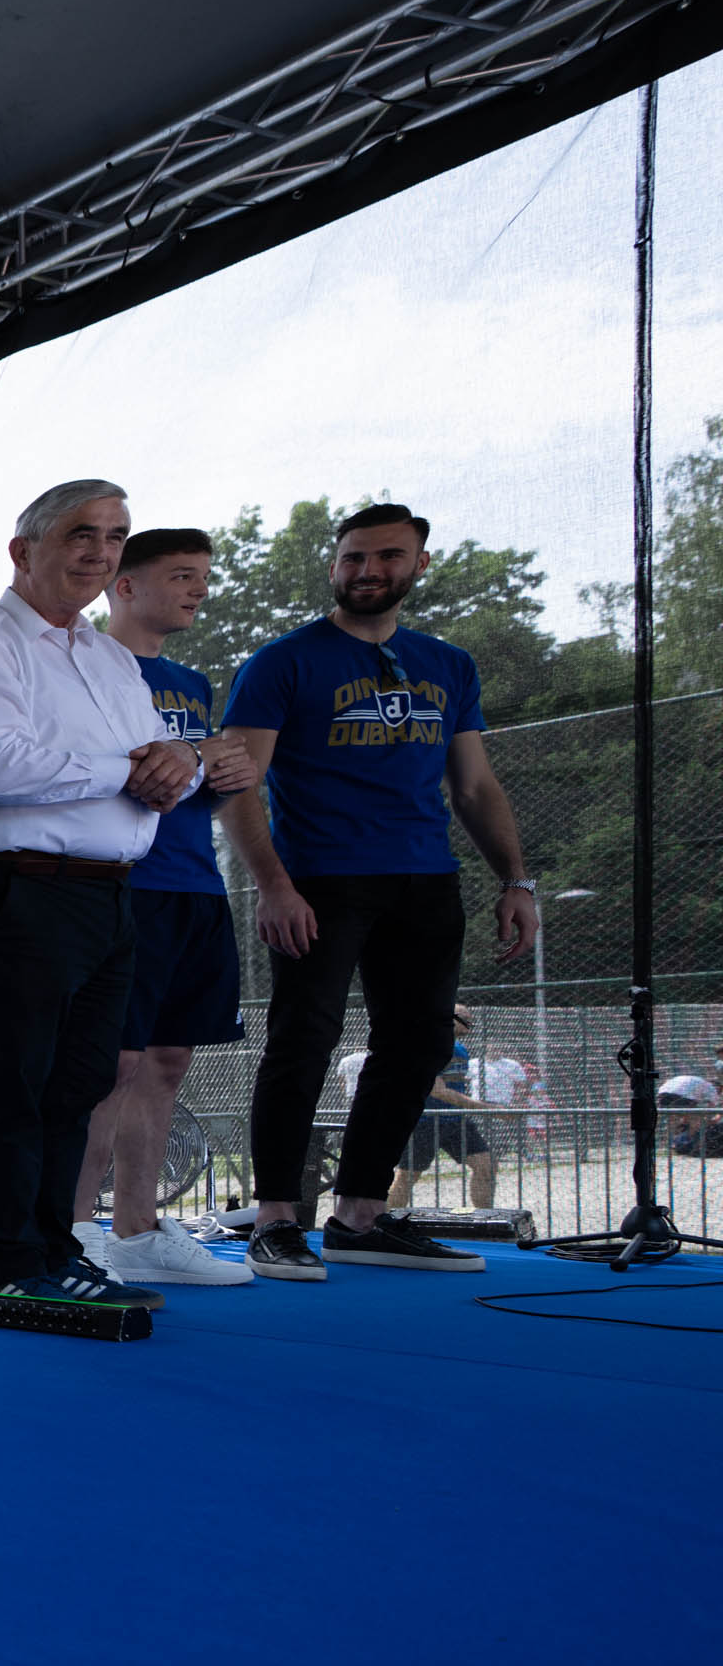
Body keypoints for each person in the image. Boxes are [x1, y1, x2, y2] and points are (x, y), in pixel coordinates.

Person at [217, 503, 538, 1280]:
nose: (367, 571)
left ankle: (360, 1216)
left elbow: (473, 786)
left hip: (426, 878)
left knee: (422, 1042)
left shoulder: (448, 664)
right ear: (334, 566)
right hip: (320, 880)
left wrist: (516, 880)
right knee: (303, 1039)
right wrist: (273, 886)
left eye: (387, 557)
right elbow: (237, 783)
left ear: (418, 565)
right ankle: (276, 1220)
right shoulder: (283, 662)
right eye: (353, 557)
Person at [0, 480, 195, 1306]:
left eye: (114, 536)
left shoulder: (111, 659)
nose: (100, 552)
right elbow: (0, 770)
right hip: (15, 889)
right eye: (81, 533)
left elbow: (164, 766)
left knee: (79, 1084)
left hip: (109, 895)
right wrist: (130, 770)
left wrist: (183, 763)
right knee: (13, 1083)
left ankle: (54, 1250)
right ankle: (11, 1263)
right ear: (22, 550)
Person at [67, 529, 259, 1287]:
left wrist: (224, 770)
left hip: (197, 887)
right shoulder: (82, 664)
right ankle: (74, 1230)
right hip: (124, 886)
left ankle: (138, 1229)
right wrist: (191, 762)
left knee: (170, 1060)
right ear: (125, 585)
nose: (198, 590)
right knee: (110, 1064)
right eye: (181, 576)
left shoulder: (190, 682)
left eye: (202, 577)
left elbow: (193, 787)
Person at [387, 1028, 498, 1212]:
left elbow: (455, 1084)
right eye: (462, 1016)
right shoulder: (430, 1045)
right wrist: (487, 1108)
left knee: (486, 1165)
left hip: (456, 1121)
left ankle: (485, 1219)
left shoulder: (460, 1049)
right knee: (407, 1176)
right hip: (425, 1122)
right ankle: (387, 1221)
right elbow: (437, 1091)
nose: (469, 1019)